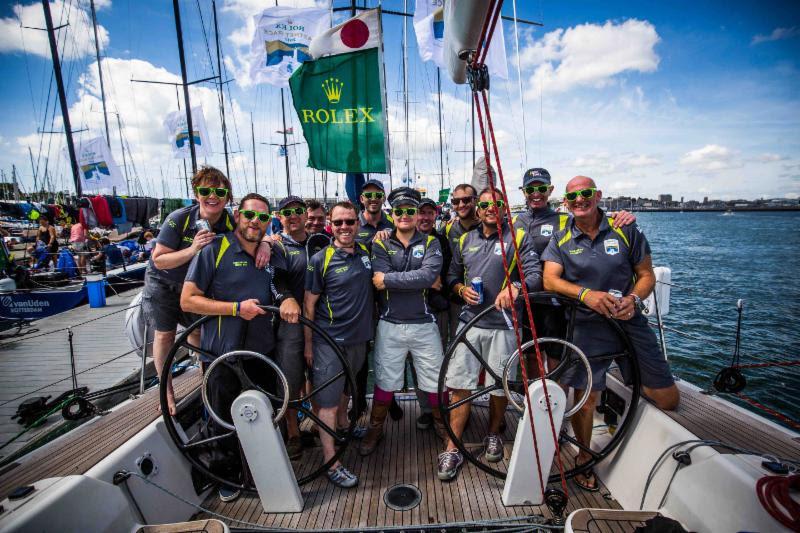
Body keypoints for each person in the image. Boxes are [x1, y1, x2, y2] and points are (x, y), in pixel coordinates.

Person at [541, 175, 680, 492]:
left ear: (598, 195)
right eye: (573, 196)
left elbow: (646, 275)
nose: (580, 200)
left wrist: (633, 300)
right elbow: (550, 280)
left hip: (628, 319)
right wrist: (585, 295)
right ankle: (582, 458)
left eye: (586, 194)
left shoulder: (625, 228)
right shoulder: (562, 237)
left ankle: (625, 390)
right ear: (565, 201)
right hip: (587, 323)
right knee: (586, 399)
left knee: (668, 399)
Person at [181, 192, 300, 503]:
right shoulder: (214, 251)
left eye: (262, 218)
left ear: (269, 222)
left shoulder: (270, 253)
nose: (255, 222)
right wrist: (235, 309)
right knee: (221, 419)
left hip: (262, 352)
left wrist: (286, 297)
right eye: (249, 215)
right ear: (237, 216)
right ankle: (227, 477)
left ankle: (265, 474)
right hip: (221, 353)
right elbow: (188, 299)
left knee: (264, 416)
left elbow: (281, 282)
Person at [142, 166, 270, 415]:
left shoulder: (228, 220)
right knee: (165, 336)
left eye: (219, 191)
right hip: (165, 281)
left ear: (227, 197)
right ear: (196, 193)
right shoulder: (179, 218)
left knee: (199, 333)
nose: (212, 196)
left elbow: (251, 230)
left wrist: (264, 243)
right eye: (205, 190)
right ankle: (166, 391)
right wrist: (193, 250)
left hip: (199, 281)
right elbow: (159, 260)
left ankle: (207, 378)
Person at [439, 188, 543, 481]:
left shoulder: (518, 238)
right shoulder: (464, 239)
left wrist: (517, 287)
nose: (489, 209)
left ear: (504, 207)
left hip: (505, 325)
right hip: (469, 323)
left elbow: (535, 275)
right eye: (484, 205)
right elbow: (450, 277)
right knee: (460, 384)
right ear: (478, 209)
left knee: (500, 386)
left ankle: (494, 432)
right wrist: (460, 290)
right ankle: (453, 446)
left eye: (496, 204)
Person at [360, 188, 445, 456]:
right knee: (385, 381)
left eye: (410, 210)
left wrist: (389, 280)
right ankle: (375, 428)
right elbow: (383, 277)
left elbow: (428, 276)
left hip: (424, 323)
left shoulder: (431, 242)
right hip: (390, 324)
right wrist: (419, 278)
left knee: (434, 380)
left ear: (418, 214)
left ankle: (442, 427)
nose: (405, 215)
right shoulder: (380, 243)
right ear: (392, 214)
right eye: (399, 211)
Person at [304, 201, 373, 488]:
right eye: (339, 222)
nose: (345, 227)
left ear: (358, 224)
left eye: (350, 222)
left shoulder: (367, 252)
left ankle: (344, 427)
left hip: (358, 340)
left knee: (347, 389)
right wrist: (308, 345)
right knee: (328, 405)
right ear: (331, 225)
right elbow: (309, 305)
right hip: (329, 341)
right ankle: (331, 462)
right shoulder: (321, 259)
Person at [270, 195, 331, 460]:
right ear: (279, 217)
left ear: (305, 215)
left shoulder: (321, 242)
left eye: (297, 211)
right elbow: (276, 280)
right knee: (291, 381)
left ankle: (321, 427)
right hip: (291, 323)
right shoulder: (276, 246)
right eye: (287, 212)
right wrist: (287, 298)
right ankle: (294, 434)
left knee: (320, 376)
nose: (293, 216)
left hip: (320, 321)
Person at [413, 197, 451, 431]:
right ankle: (426, 409)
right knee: (417, 363)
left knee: (440, 363)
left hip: (437, 309)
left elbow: (440, 277)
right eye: (421, 212)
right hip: (412, 311)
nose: (425, 217)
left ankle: (442, 409)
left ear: (435, 216)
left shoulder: (441, 241)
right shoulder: (399, 239)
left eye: (430, 213)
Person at [442, 184, 481, 342]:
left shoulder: (486, 226)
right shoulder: (448, 229)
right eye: (456, 201)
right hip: (457, 297)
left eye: (466, 200)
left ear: (475, 201)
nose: (461, 205)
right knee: (458, 345)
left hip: (483, 297)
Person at [356, 179, 393, 244]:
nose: (373, 199)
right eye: (368, 195)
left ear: (384, 199)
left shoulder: (393, 222)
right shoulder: (353, 223)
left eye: (378, 195)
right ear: (362, 199)